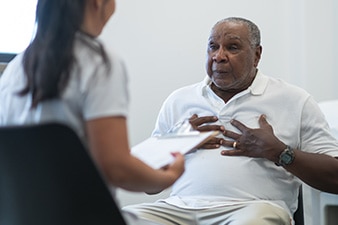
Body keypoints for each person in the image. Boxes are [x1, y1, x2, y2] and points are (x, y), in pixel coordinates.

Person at [123, 17, 338, 225]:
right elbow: (149, 187)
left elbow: (334, 178)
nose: (219, 56)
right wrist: (178, 143)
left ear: (257, 55)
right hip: (179, 209)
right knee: (120, 217)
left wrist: (279, 152)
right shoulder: (179, 100)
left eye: (232, 47)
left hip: (253, 208)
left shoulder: (294, 100)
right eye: (213, 47)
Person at [0, 0, 184, 224]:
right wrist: (167, 177)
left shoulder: (15, 70)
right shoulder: (99, 62)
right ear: (97, 2)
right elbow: (116, 168)